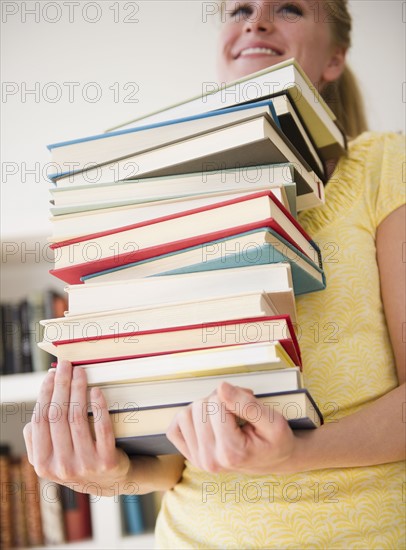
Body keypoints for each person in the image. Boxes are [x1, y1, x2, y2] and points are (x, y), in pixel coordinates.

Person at [24, 1, 405, 548]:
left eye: (289, 8)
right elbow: (168, 463)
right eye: (240, 8)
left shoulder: (386, 166)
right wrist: (111, 472)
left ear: (336, 57)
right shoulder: (161, 189)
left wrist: (297, 453)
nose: (256, 21)